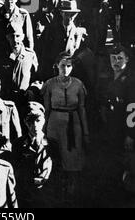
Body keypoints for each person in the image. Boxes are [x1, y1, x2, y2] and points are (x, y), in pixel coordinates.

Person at [42, 52, 89, 202]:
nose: (66, 69)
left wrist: (85, 131)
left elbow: (82, 108)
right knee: (56, 158)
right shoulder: (49, 84)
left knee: (73, 158)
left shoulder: (78, 84)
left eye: (69, 66)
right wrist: (43, 130)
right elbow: (46, 108)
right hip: (55, 124)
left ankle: (72, 194)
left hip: (73, 124)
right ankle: (57, 193)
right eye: (63, 65)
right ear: (56, 66)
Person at [12, 102, 54, 208]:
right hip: (25, 195)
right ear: (25, 122)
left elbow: (57, 171)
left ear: (43, 121)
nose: (35, 125)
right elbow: (16, 171)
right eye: (30, 121)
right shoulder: (18, 144)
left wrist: (46, 181)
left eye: (38, 121)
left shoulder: (52, 144)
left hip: (46, 194)